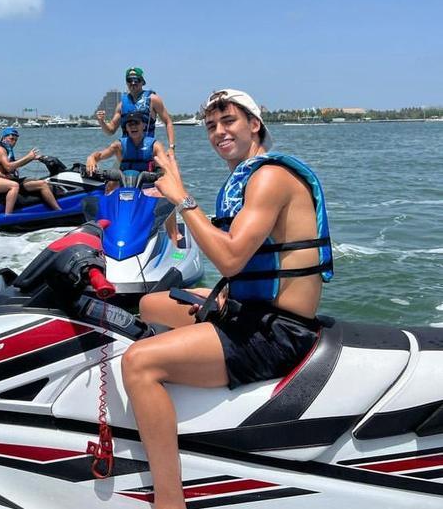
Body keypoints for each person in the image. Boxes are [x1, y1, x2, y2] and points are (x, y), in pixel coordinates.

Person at [121, 88, 333, 509]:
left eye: (229, 121)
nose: (219, 132)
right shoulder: (247, 176)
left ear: (255, 124)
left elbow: (232, 258)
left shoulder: (270, 177)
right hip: (248, 311)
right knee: (149, 304)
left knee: (138, 362)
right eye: (211, 126)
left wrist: (182, 197)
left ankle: (169, 499)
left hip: (276, 333)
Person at [86, 112, 181, 244]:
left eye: (136, 123)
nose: (133, 126)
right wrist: (91, 158)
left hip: (147, 187)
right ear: (126, 128)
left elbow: (165, 165)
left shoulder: (154, 145)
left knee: (165, 195)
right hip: (125, 187)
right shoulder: (119, 145)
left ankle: (174, 236)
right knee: (109, 188)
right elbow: (100, 155)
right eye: (129, 124)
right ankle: (105, 236)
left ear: (143, 125)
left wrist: (166, 172)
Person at [96, 67, 176, 150]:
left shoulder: (153, 99)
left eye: (136, 80)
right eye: (130, 80)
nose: (133, 83)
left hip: (147, 151)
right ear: (126, 82)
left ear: (142, 82)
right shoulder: (122, 104)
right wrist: (101, 121)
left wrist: (171, 147)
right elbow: (111, 130)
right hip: (127, 152)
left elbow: (168, 122)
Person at [0, 127, 61, 211]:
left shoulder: (5, 149)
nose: (14, 142)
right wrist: (28, 157)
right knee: (42, 184)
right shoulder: (0, 149)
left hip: (11, 180)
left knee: (41, 181)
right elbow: (8, 167)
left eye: (15, 140)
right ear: (4, 137)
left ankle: (43, 207)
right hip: (5, 181)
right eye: (11, 139)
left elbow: (13, 165)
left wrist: (32, 158)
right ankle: (58, 211)